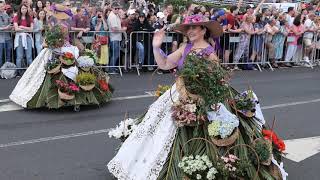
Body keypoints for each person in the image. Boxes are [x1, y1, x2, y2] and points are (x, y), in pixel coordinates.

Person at [107, 14, 287, 180]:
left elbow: (219, 79)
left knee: (200, 134)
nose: (191, 31)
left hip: (202, 98)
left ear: (203, 30)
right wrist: (156, 47)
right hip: (179, 93)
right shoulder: (186, 47)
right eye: (188, 29)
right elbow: (165, 64)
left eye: (195, 27)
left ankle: (198, 168)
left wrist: (203, 91)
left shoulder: (209, 52)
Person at [9, 4, 112, 110]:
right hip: (63, 47)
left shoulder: (59, 26)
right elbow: (58, 39)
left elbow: (58, 41)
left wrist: (48, 42)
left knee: (58, 66)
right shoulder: (63, 24)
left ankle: (65, 92)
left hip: (60, 47)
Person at [13, 4, 34, 75]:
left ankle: (31, 72)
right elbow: (16, 29)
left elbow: (31, 29)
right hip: (19, 38)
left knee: (29, 56)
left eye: (25, 8)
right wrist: (26, 28)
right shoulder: (16, 17)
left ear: (27, 9)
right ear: (20, 9)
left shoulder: (30, 17)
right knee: (19, 56)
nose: (24, 10)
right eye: (22, 8)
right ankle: (19, 72)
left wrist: (22, 27)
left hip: (28, 37)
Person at [0, 0, 13, 67]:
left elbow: (9, 24)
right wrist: (5, 28)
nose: (2, 8)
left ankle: (7, 71)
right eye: (0, 7)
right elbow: (5, 27)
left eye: (2, 6)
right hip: (0, 39)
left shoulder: (6, 15)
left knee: (8, 55)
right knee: (0, 56)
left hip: (8, 38)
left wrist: (11, 26)